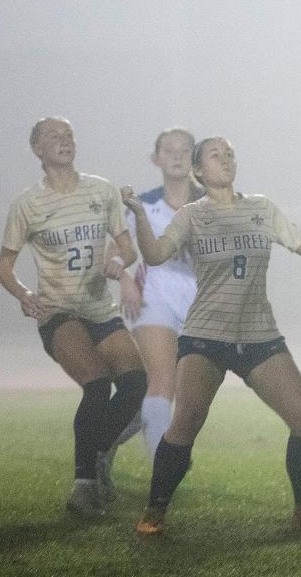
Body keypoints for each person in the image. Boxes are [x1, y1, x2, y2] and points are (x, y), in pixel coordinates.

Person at [124, 137, 301, 536]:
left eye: (230, 154)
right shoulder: (192, 215)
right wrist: (139, 213)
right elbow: (155, 255)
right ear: (198, 172)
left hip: (259, 335)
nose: (225, 160)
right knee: (185, 422)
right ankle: (154, 512)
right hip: (206, 336)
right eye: (215, 155)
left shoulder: (261, 208)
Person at [0, 117, 148, 517]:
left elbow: (128, 249)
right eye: (53, 137)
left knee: (136, 384)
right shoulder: (27, 204)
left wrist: (119, 261)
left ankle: (98, 453)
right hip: (58, 310)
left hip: (100, 308)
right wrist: (24, 293)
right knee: (97, 386)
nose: (63, 141)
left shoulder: (102, 189)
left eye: (69, 136)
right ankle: (83, 488)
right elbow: (4, 267)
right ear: (38, 150)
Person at [111, 128, 202, 462]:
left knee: (184, 393)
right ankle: (162, 466)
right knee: (162, 379)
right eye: (170, 149)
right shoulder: (143, 205)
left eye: (185, 149)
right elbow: (117, 252)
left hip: (200, 303)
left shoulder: (210, 202)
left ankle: (105, 440)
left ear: (195, 156)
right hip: (154, 298)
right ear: (156, 158)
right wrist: (124, 279)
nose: (177, 156)